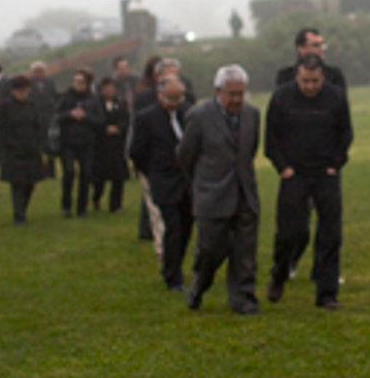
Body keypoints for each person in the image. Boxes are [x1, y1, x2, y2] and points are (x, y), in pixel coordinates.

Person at [264, 55, 353, 308]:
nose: (310, 87)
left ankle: (327, 293)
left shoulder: (335, 97)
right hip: (294, 173)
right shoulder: (282, 97)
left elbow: (345, 133)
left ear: (322, 77)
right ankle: (279, 274)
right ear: (297, 76)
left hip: (326, 173)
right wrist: (283, 167)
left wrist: (335, 164)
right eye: (305, 81)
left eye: (314, 81)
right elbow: (272, 137)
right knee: (289, 233)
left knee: (330, 234)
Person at [177, 64, 262, 314]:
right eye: (232, 94)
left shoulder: (252, 114)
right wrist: (202, 182)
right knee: (212, 249)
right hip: (212, 194)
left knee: (245, 250)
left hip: (245, 191)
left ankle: (243, 298)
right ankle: (200, 284)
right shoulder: (199, 116)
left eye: (241, 94)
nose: (237, 100)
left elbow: (249, 150)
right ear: (218, 91)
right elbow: (185, 155)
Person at [128, 74, 194, 290]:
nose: (174, 104)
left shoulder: (189, 113)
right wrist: (154, 171)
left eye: (179, 98)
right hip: (164, 181)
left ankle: (171, 265)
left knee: (186, 227)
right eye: (170, 99)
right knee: (173, 227)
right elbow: (137, 151)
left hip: (188, 180)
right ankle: (173, 277)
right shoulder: (146, 118)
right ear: (159, 95)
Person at [0, 74, 47, 225]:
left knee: (30, 183)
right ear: (13, 91)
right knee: (17, 183)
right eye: (20, 91)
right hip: (14, 151)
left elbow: (39, 126)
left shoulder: (32, 106)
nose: (23, 94)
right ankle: (19, 215)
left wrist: (39, 143)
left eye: (25, 91)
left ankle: (23, 208)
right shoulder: (5, 106)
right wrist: (9, 145)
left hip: (31, 150)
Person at [55, 68, 98, 217]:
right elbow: (57, 117)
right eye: (75, 81)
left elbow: (99, 120)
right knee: (69, 172)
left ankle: (82, 207)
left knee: (86, 174)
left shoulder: (93, 99)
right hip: (68, 141)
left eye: (80, 82)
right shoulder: (65, 98)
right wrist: (70, 115)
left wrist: (85, 117)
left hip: (87, 141)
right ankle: (66, 205)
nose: (77, 85)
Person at [91, 74, 130, 212]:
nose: (109, 91)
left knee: (118, 177)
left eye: (111, 88)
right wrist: (104, 128)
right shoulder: (95, 104)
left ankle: (116, 205)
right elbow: (91, 120)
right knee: (99, 178)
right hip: (100, 145)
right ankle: (96, 199)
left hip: (117, 145)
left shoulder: (121, 103)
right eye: (106, 88)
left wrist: (118, 128)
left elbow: (127, 120)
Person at [274, 27, 347, 90]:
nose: (321, 49)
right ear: (300, 48)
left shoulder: (334, 76)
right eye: (316, 45)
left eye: (322, 45)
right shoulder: (285, 77)